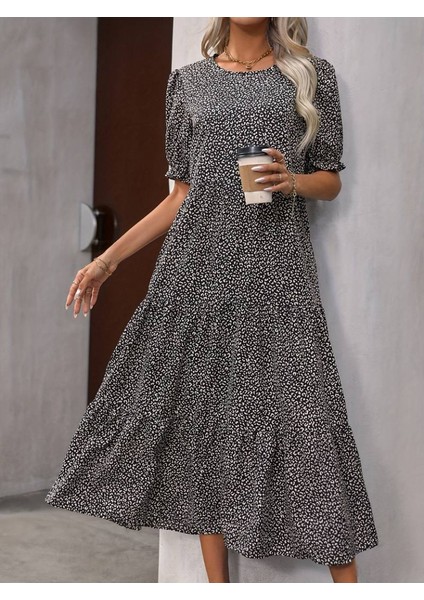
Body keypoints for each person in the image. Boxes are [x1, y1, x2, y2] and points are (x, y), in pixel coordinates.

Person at [45, 17, 379, 583]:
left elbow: (330, 179)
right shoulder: (188, 83)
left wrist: (293, 181)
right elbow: (180, 195)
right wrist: (107, 261)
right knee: (206, 426)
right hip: (198, 274)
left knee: (309, 425)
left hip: (278, 276)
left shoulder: (311, 75)